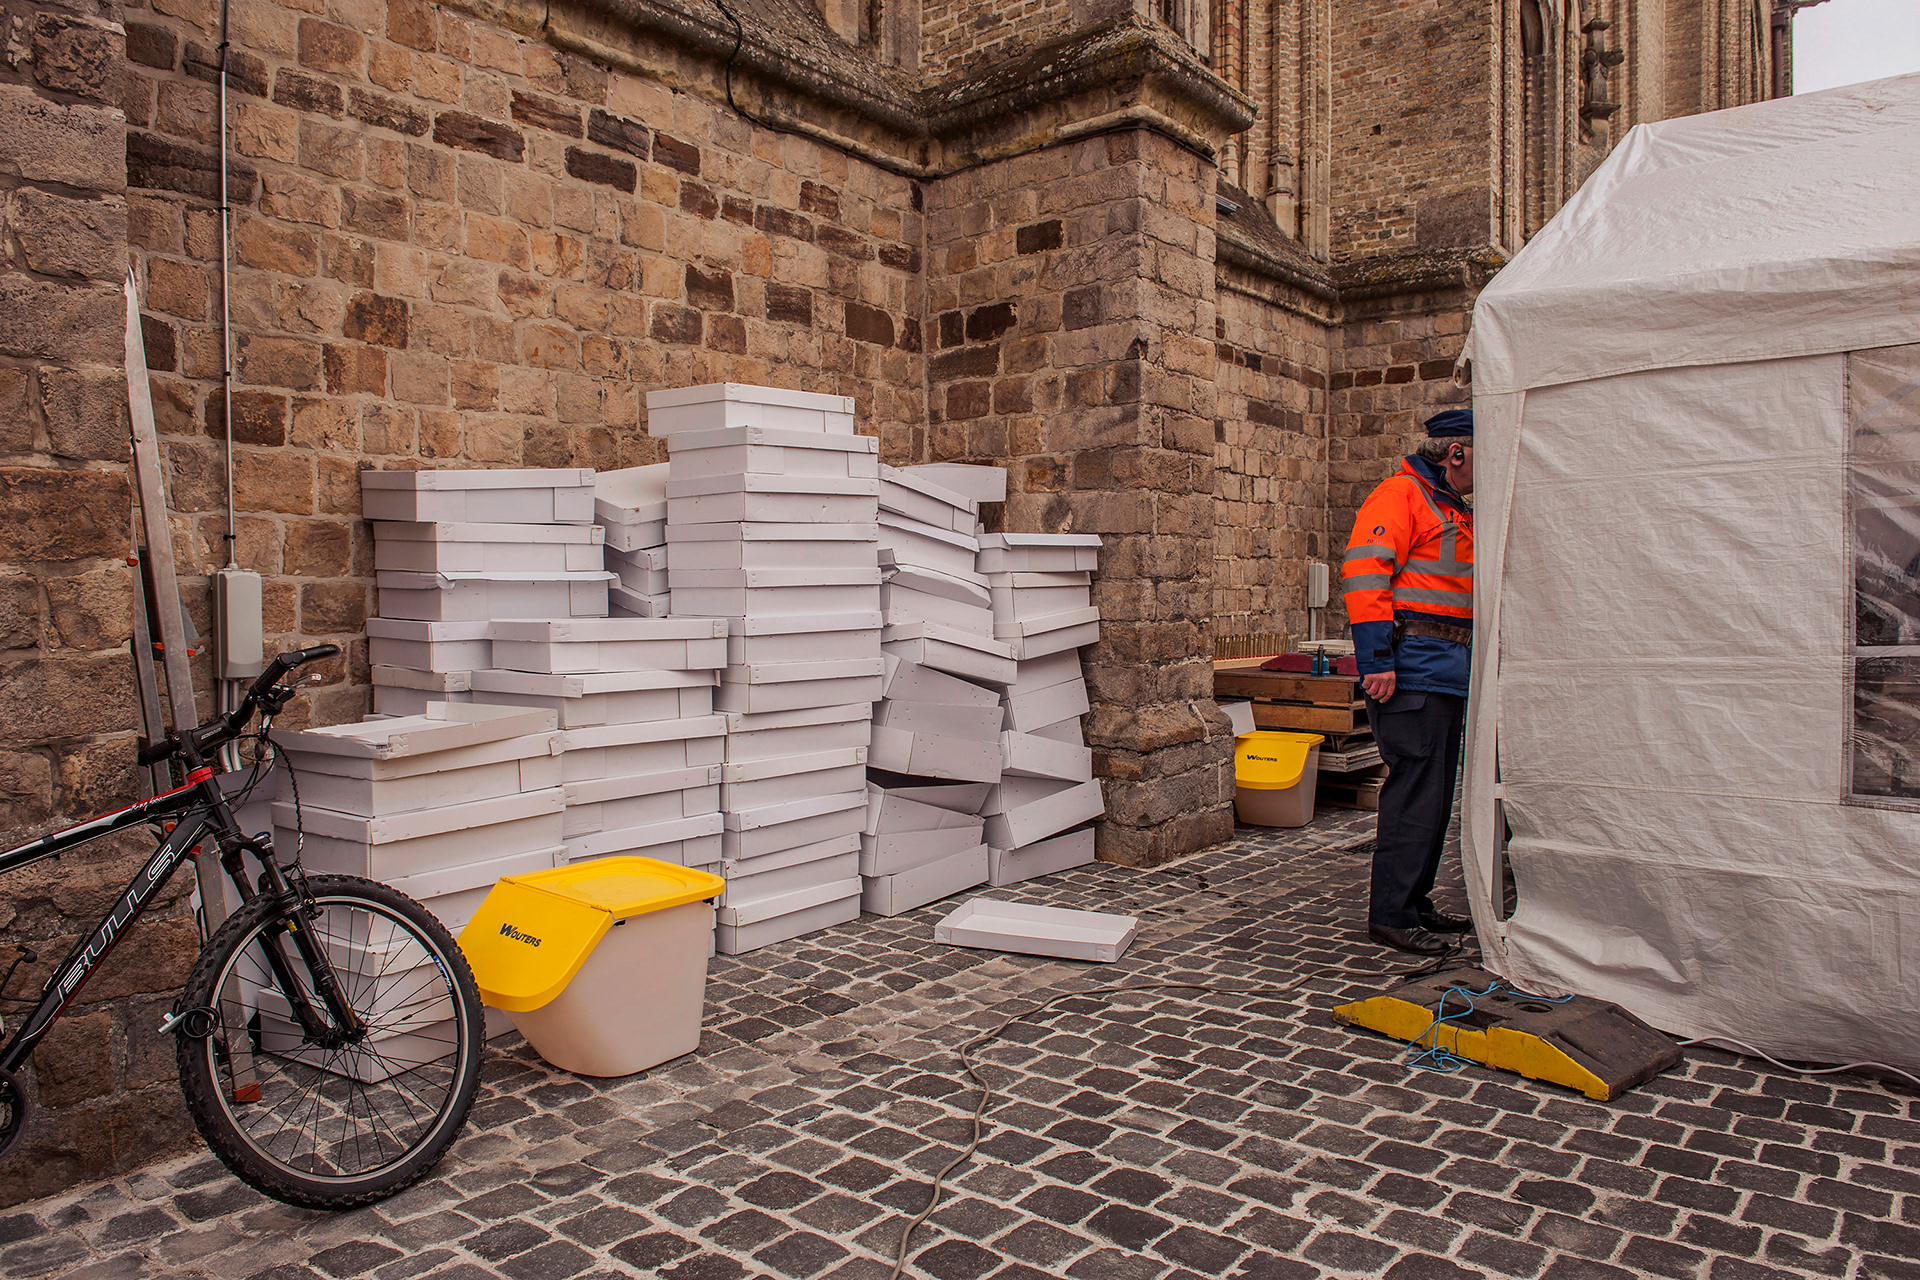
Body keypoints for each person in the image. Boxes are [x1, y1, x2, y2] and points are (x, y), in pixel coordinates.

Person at [1340, 408, 1475, 955]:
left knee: (1435, 797)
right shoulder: (1401, 495)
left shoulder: (1449, 505)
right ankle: (1392, 914)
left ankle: (1414, 902)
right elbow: (1365, 574)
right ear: (1457, 454)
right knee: (1414, 796)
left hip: (1445, 672)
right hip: (1414, 669)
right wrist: (1376, 662)